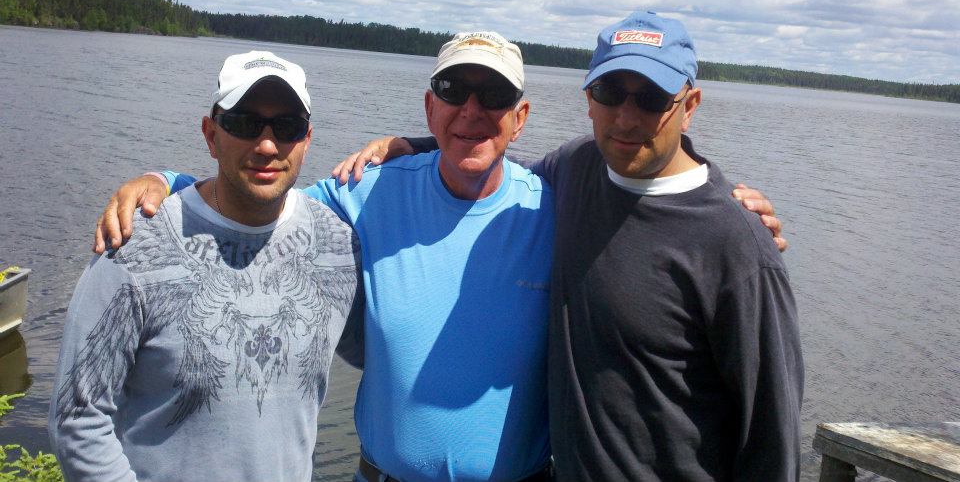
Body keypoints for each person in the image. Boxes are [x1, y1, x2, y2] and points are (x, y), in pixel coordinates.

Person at [92, 30, 785, 481]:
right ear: (428, 108)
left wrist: (723, 204)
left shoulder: (559, 198)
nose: (472, 111)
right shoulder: (366, 194)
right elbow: (261, 199)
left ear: (522, 118)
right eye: (454, 93)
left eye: (495, 98)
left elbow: (652, 189)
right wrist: (170, 183)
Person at [340, 11, 803, 481]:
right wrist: (415, 145)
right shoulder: (576, 170)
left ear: (690, 104)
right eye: (609, 93)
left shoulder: (736, 243)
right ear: (588, 100)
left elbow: (772, 435)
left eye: (651, 97)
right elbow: (491, 166)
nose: (626, 116)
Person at [49, 51, 363, 482]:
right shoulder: (135, 245)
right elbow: (77, 417)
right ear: (210, 134)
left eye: (286, 127)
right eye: (244, 123)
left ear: (306, 139)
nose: (267, 145)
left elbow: (381, 352)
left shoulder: (339, 245)